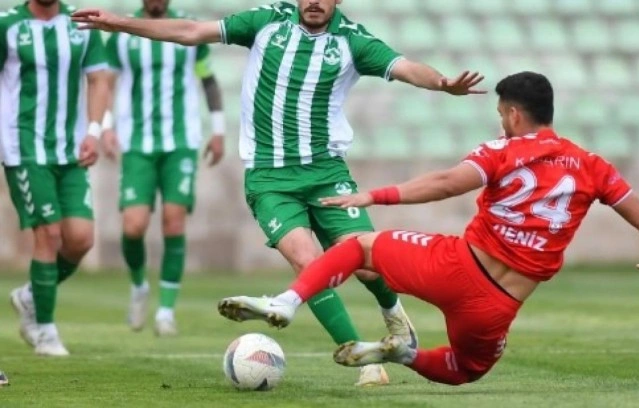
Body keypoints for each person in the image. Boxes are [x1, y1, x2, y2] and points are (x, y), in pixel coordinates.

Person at [72, 0, 484, 385]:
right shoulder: (267, 22)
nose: (314, 2)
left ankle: (393, 314)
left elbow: (406, 67)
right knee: (308, 263)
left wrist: (442, 83)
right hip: (269, 179)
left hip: (326, 173)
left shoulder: (352, 41)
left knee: (366, 265)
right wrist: (119, 23)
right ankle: (364, 359)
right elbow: (191, 31)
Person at [214, 72, 639, 386]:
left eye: (501, 114)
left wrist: (374, 196)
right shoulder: (593, 166)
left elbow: (445, 184)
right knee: (465, 370)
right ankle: (402, 354)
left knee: (358, 247)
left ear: (513, 114)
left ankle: (287, 301)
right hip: (496, 309)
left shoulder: (503, 150)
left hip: (455, 267)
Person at [101, 0, 226, 337]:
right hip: (136, 142)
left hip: (180, 140)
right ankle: (139, 285)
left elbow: (208, 80)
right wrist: (107, 127)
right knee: (133, 226)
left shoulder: (188, 29)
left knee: (174, 221)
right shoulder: (122, 33)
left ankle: (166, 312)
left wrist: (218, 130)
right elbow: (106, 82)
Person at [2, 0, 108, 356]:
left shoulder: (80, 23)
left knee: (80, 239)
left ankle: (31, 295)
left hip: (70, 150)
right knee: (48, 233)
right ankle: (45, 331)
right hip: (24, 148)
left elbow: (98, 79)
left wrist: (94, 131)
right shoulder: (7, 25)